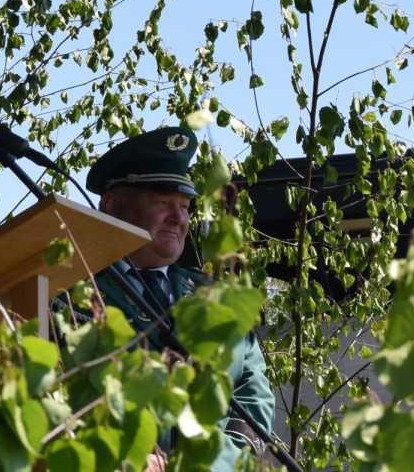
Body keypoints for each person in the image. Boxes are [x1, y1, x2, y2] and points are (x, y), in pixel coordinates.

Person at [85, 126, 274, 472]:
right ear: (111, 206)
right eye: (163, 203)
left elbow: (254, 396)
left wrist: (214, 464)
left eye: (185, 206)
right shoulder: (77, 297)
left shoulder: (217, 299)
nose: (180, 218)